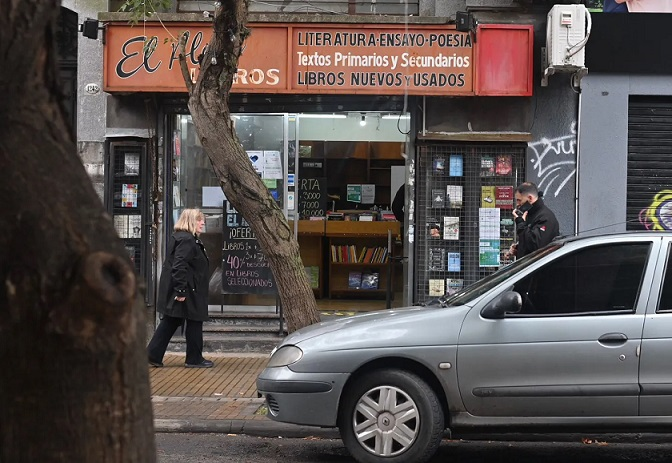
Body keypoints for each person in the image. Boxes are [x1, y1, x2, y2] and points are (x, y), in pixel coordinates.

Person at [147, 208, 213, 368]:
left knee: (171, 320)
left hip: (188, 287)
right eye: (199, 220)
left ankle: (152, 355)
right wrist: (181, 291)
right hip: (188, 290)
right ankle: (194, 358)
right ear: (190, 221)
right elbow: (179, 265)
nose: (202, 222)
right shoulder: (187, 240)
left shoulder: (183, 238)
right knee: (194, 321)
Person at [505, 182, 560, 260]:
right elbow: (529, 240)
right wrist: (519, 249)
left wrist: (521, 224)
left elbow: (536, 246)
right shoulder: (530, 214)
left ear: (530, 198)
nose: (517, 204)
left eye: (519, 200)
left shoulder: (545, 217)